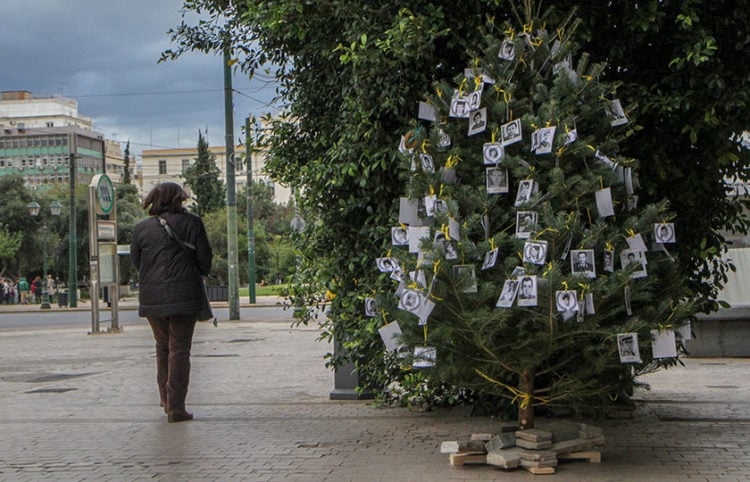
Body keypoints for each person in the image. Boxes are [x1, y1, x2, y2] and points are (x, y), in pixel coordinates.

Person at [130, 182, 212, 423]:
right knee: (179, 349)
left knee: (162, 347)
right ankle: (177, 406)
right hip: (185, 296)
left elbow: (137, 263)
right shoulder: (192, 223)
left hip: (153, 298)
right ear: (179, 199)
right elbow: (205, 259)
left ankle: (165, 401)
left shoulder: (141, 229)